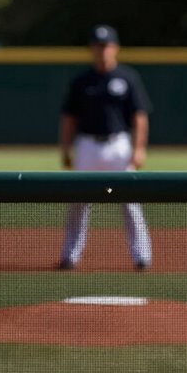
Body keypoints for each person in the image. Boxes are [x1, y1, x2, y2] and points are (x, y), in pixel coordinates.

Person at [57, 24, 152, 271]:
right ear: (91, 48)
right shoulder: (82, 81)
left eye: (106, 45)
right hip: (87, 145)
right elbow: (68, 117)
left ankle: (142, 256)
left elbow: (139, 116)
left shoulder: (127, 77)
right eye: (97, 45)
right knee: (78, 201)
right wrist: (65, 149)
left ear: (115, 47)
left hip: (118, 145)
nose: (102, 50)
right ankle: (70, 256)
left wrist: (139, 148)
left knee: (130, 201)